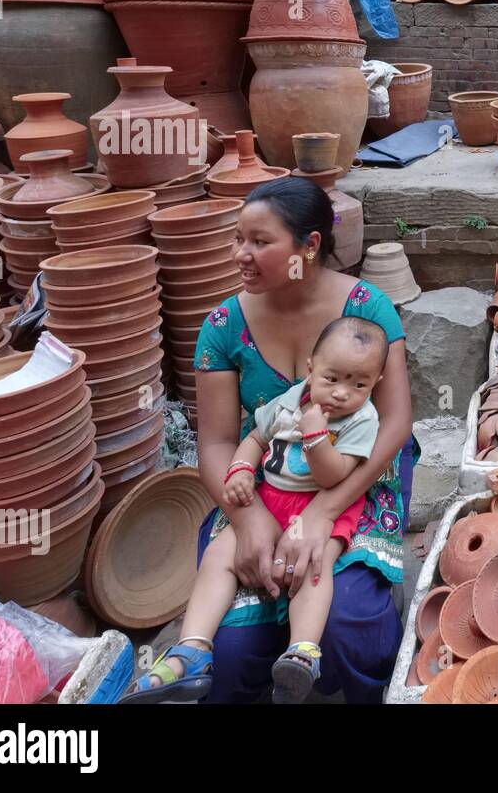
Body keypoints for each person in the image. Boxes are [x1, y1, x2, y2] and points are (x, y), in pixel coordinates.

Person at [142, 176, 416, 703]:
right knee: (234, 645)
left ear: (309, 247)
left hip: (356, 473)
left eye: (259, 242)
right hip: (268, 478)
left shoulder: (367, 309)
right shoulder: (222, 325)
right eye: (237, 238)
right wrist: (249, 521)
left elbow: (396, 423)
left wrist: (321, 513)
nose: (240, 255)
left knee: (346, 620)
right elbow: (218, 443)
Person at [123, 316, 391, 703]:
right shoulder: (290, 401)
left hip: (320, 503)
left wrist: (316, 436)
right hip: (272, 497)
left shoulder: (362, 420)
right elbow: (254, 437)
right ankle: (193, 649)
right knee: (219, 555)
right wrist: (241, 468)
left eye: (359, 384)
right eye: (332, 378)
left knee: (312, 566)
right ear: (312, 368)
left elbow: (335, 477)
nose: (341, 393)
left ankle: (302, 651)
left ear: (376, 382)